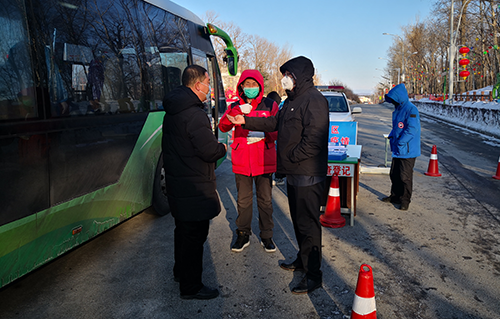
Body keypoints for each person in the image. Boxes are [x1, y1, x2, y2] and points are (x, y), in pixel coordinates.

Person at [227, 56, 329, 295]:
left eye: (289, 75)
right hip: (294, 174)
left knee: (309, 226)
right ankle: (303, 261)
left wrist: (290, 155)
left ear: (300, 76)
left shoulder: (314, 100)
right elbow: (274, 122)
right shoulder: (292, 100)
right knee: (298, 222)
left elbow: (314, 141)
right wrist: (246, 120)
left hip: (308, 174)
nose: (285, 79)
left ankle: (313, 274)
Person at [162, 65, 227, 300]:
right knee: (194, 237)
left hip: (179, 183)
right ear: (198, 84)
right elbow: (209, 151)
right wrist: (223, 148)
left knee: (183, 231)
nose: (209, 87)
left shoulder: (174, 109)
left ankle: (181, 272)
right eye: (208, 82)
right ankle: (191, 286)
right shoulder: (194, 113)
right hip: (195, 185)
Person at [219, 70, 279, 253]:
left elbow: (277, 130)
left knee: (265, 200)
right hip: (242, 160)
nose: (250, 88)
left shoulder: (270, 105)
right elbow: (223, 125)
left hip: (264, 159)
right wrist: (234, 115)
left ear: (260, 86)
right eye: (247, 85)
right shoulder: (236, 105)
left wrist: (262, 132)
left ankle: (267, 235)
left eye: (254, 85)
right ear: (241, 87)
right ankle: (243, 234)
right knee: (243, 201)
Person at [381, 83, 421, 211]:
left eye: (394, 99)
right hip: (398, 149)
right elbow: (396, 128)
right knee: (394, 174)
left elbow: (412, 129)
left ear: (400, 97)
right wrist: (392, 136)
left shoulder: (411, 109)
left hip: (407, 150)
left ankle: (405, 200)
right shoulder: (398, 109)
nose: (393, 102)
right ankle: (395, 196)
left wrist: (401, 142)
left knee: (405, 176)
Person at [266, 91, 285, 186]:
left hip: (279, 137)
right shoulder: (280, 106)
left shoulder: (277, 108)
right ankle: (279, 176)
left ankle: (279, 177)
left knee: (278, 156)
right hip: (278, 137)